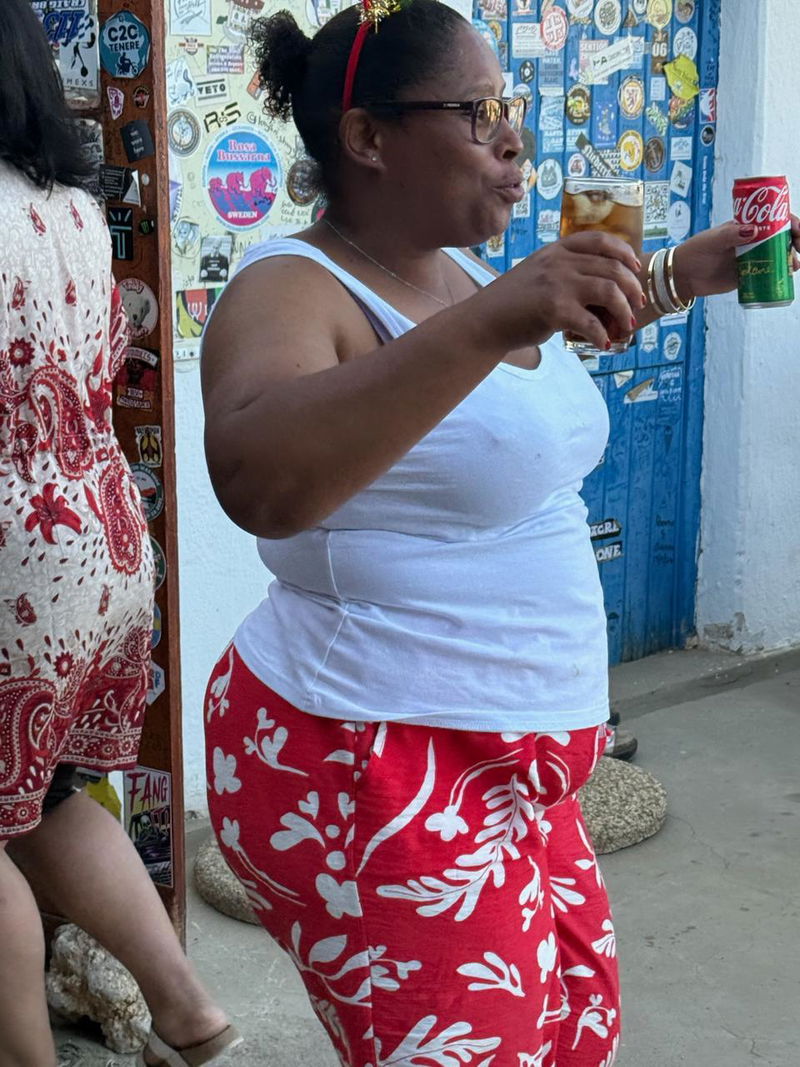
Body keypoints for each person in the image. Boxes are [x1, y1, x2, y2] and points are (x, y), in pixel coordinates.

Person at [201, 3, 800, 1065]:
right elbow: (257, 480)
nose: (514, 139)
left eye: (510, 107)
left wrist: (676, 277)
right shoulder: (290, 286)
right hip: (374, 754)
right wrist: (492, 318)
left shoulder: (464, 274)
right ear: (368, 137)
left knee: (573, 1033)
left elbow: (505, 412)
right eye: (479, 114)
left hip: (517, 759)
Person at [0, 4, 240, 1066]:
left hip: (12, 555)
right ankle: (189, 1011)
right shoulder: (74, 208)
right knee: (47, 796)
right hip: (98, 536)